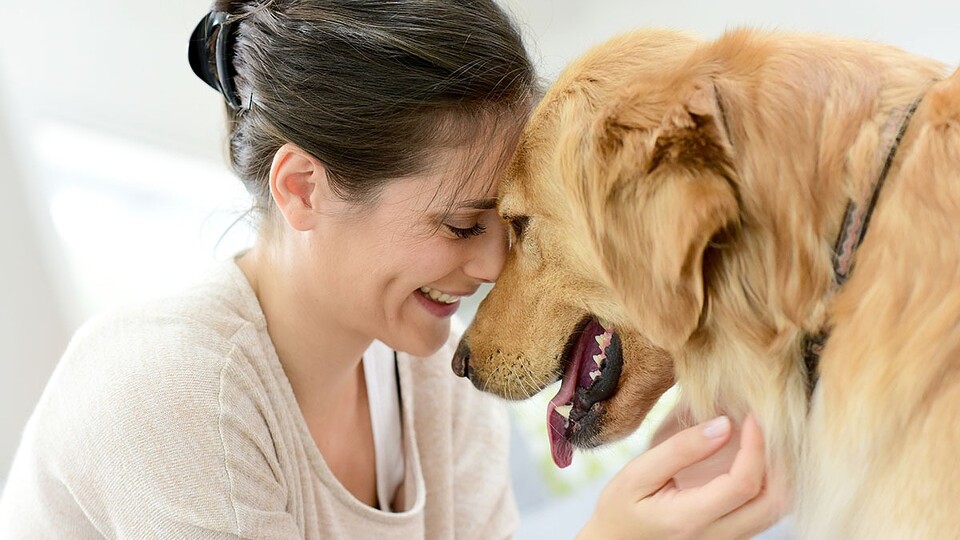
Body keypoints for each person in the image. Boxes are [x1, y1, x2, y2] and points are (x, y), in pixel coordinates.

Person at [0, 1, 786, 537]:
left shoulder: (437, 385)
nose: (490, 267)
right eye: (461, 224)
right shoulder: (173, 390)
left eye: (510, 224)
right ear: (303, 189)